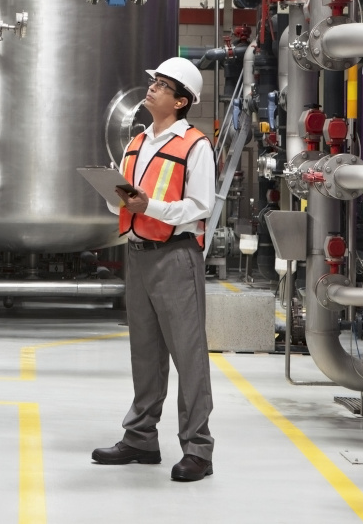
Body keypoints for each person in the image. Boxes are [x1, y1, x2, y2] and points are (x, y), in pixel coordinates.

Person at [91, 56, 216, 482]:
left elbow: (200, 208)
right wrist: (115, 195)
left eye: (163, 85)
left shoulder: (195, 146)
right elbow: (124, 201)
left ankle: (198, 448)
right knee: (144, 351)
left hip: (177, 256)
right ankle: (141, 437)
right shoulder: (137, 142)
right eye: (154, 82)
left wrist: (150, 206)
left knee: (189, 355)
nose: (152, 89)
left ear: (182, 101)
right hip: (138, 253)